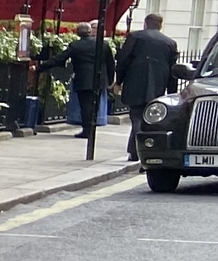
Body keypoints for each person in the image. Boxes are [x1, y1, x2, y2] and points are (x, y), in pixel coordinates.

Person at [115, 12, 181, 161]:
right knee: (148, 118)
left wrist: (118, 82)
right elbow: (173, 70)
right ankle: (138, 150)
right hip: (158, 85)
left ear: (145, 24)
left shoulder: (135, 37)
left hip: (135, 82)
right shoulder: (170, 43)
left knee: (136, 116)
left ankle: (136, 151)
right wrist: (171, 93)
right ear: (160, 25)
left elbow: (123, 61)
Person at [63, 19, 111, 159]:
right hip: (99, 79)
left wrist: (41, 67)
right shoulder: (103, 44)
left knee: (85, 106)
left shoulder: (76, 45)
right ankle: (91, 128)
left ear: (77, 33)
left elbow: (61, 59)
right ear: (90, 31)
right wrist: (112, 79)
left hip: (83, 79)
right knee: (94, 105)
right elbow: (110, 63)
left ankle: (87, 130)